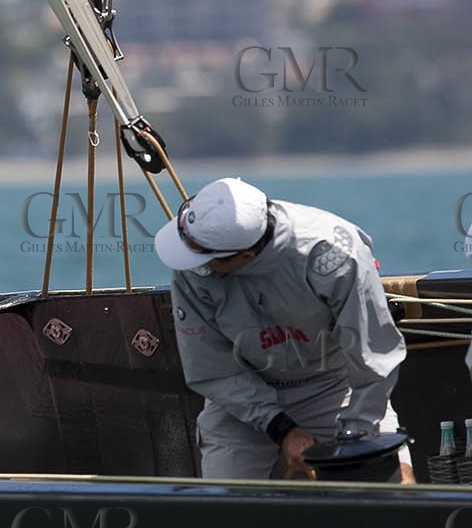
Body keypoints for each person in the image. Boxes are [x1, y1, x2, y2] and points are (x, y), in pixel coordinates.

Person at [157, 176, 410, 481]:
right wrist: (280, 427)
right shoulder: (193, 259)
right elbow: (211, 369)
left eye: (209, 260)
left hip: (333, 385)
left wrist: (356, 437)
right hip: (239, 398)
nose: (197, 264)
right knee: (224, 511)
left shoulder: (334, 254)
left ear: (246, 256)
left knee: (392, 484)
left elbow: (373, 354)